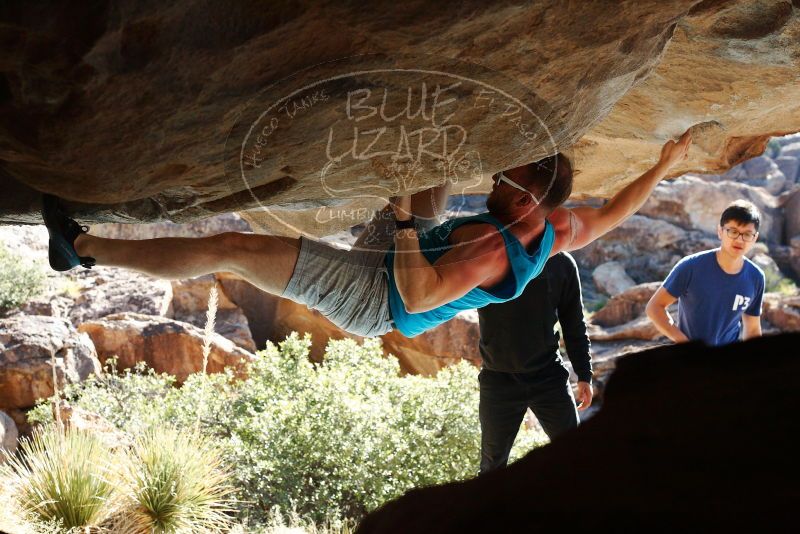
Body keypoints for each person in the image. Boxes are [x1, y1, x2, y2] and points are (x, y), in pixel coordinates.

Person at [43, 131, 692, 339]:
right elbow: (615, 212)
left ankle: (80, 249)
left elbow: (418, 296)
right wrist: (664, 161)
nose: (492, 178)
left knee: (234, 249)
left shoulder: (488, 249)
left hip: (380, 299)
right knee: (431, 168)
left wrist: (405, 219)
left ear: (522, 197)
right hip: (406, 260)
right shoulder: (551, 222)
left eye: (502, 177)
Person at [478, 251, 592, 473]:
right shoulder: (490, 253)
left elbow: (574, 323)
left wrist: (584, 374)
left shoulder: (561, 262)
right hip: (499, 380)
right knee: (492, 467)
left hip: (548, 376)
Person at [646, 200, 765, 345]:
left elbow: (752, 330)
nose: (740, 240)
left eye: (747, 234)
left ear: (755, 238)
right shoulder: (691, 266)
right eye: (733, 231)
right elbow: (654, 307)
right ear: (720, 231)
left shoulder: (756, 277)